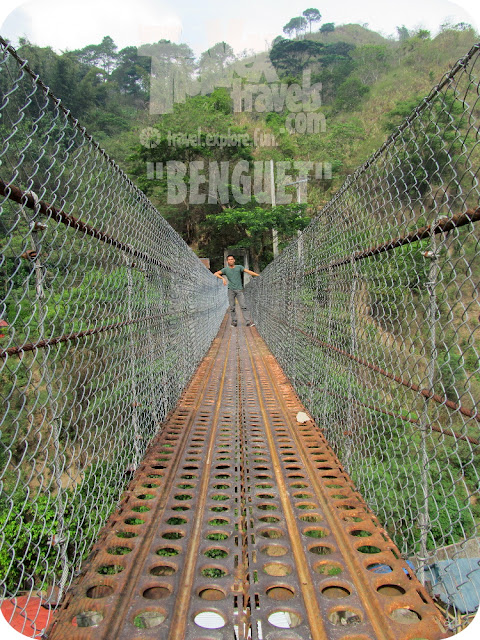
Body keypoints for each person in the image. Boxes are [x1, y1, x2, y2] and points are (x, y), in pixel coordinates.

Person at [214, 255, 260, 327]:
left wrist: (258, 275)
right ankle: (234, 321)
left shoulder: (239, 267)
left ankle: (248, 322)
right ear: (227, 261)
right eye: (229, 259)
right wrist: (222, 278)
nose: (230, 261)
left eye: (232, 259)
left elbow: (248, 271)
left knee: (243, 306)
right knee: (232, 307)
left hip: (239, 290)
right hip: (230, 290)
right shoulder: (225, 269)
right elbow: (215, 273)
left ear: (234, 260)